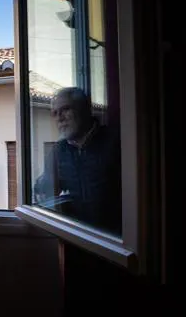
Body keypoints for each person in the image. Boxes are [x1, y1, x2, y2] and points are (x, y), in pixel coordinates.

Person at [33, 87, 121, 234]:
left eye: (65, 109)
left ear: (84, 110)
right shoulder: (58, 152)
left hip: (115, 241)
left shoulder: (115, 143)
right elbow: (46, 189)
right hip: (78, 237)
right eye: (55, 113)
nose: (59, 118)